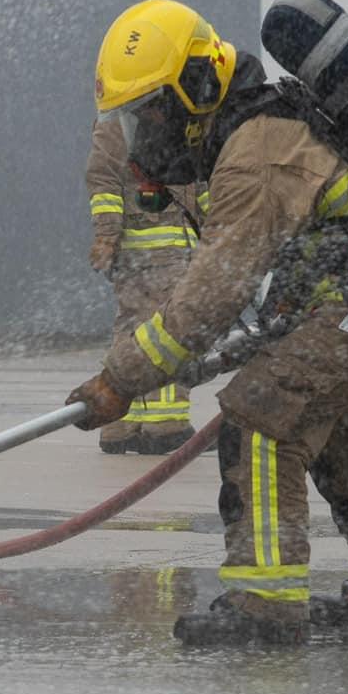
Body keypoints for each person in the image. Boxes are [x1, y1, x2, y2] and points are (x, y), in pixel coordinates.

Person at [64, 0, 348, 645]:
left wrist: (120, 380)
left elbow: (209, 298)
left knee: (258, 417)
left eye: (152, 113)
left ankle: (266, 603)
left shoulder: (252, 154)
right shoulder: (254, 130)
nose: (146, 135)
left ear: (197, 87)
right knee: (340, 435)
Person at [83, 112, 204, 454]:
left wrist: (108, 235)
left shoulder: (122, 116)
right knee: (173, 329)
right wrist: (107, 234)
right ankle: (166, 424)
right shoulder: (134, 116)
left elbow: (200, 186)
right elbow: (103, 177)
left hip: (145, 251)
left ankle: (121, 423)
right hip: (165, 248)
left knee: (132, 328)